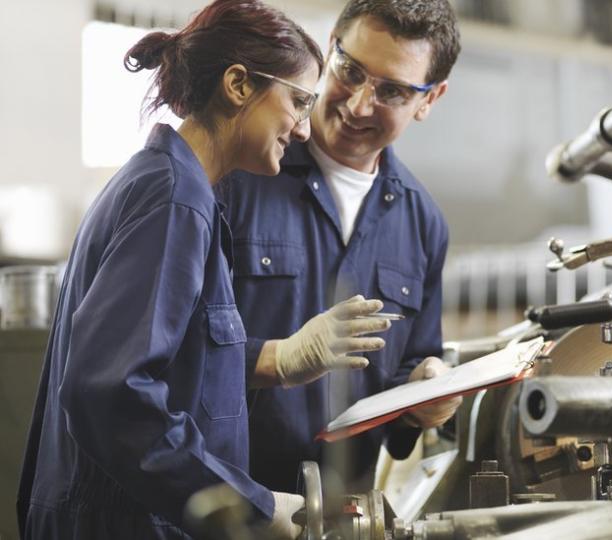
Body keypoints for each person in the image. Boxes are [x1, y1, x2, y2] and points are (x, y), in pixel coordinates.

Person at [17, 1, 389, 537]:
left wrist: (280, 359)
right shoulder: (173, 201)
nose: (305, 131)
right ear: (238, 85)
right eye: (298, 103)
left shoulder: (178, 192)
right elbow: (110, 393)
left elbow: (175, 366)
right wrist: (251, 506)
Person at [216, 0, 462, 494]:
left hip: (344, 512)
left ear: (429, 100)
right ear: (330, 47)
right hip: (225, 504)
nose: (357, 105)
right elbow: (175, 355)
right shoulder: (240, 175)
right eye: (350, 71)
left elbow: (407, 375)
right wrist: (279, 360)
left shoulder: (422, 224)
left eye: (391, 91)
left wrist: (424, 394)